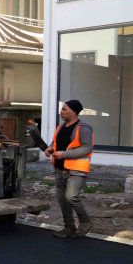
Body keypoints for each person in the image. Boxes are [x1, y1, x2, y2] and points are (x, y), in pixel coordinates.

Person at [46, 100, 94, 238]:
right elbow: (55, 143)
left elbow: (86, 148)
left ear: (73, 111)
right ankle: (69, 227)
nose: (61, 111)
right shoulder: (61, 127)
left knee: (71, 197)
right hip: (59, 169)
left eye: (64, 109)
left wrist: (63, 154)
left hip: (76, 171)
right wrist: (50, 149)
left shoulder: (84, 127)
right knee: (62, 200)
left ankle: (85, 222)